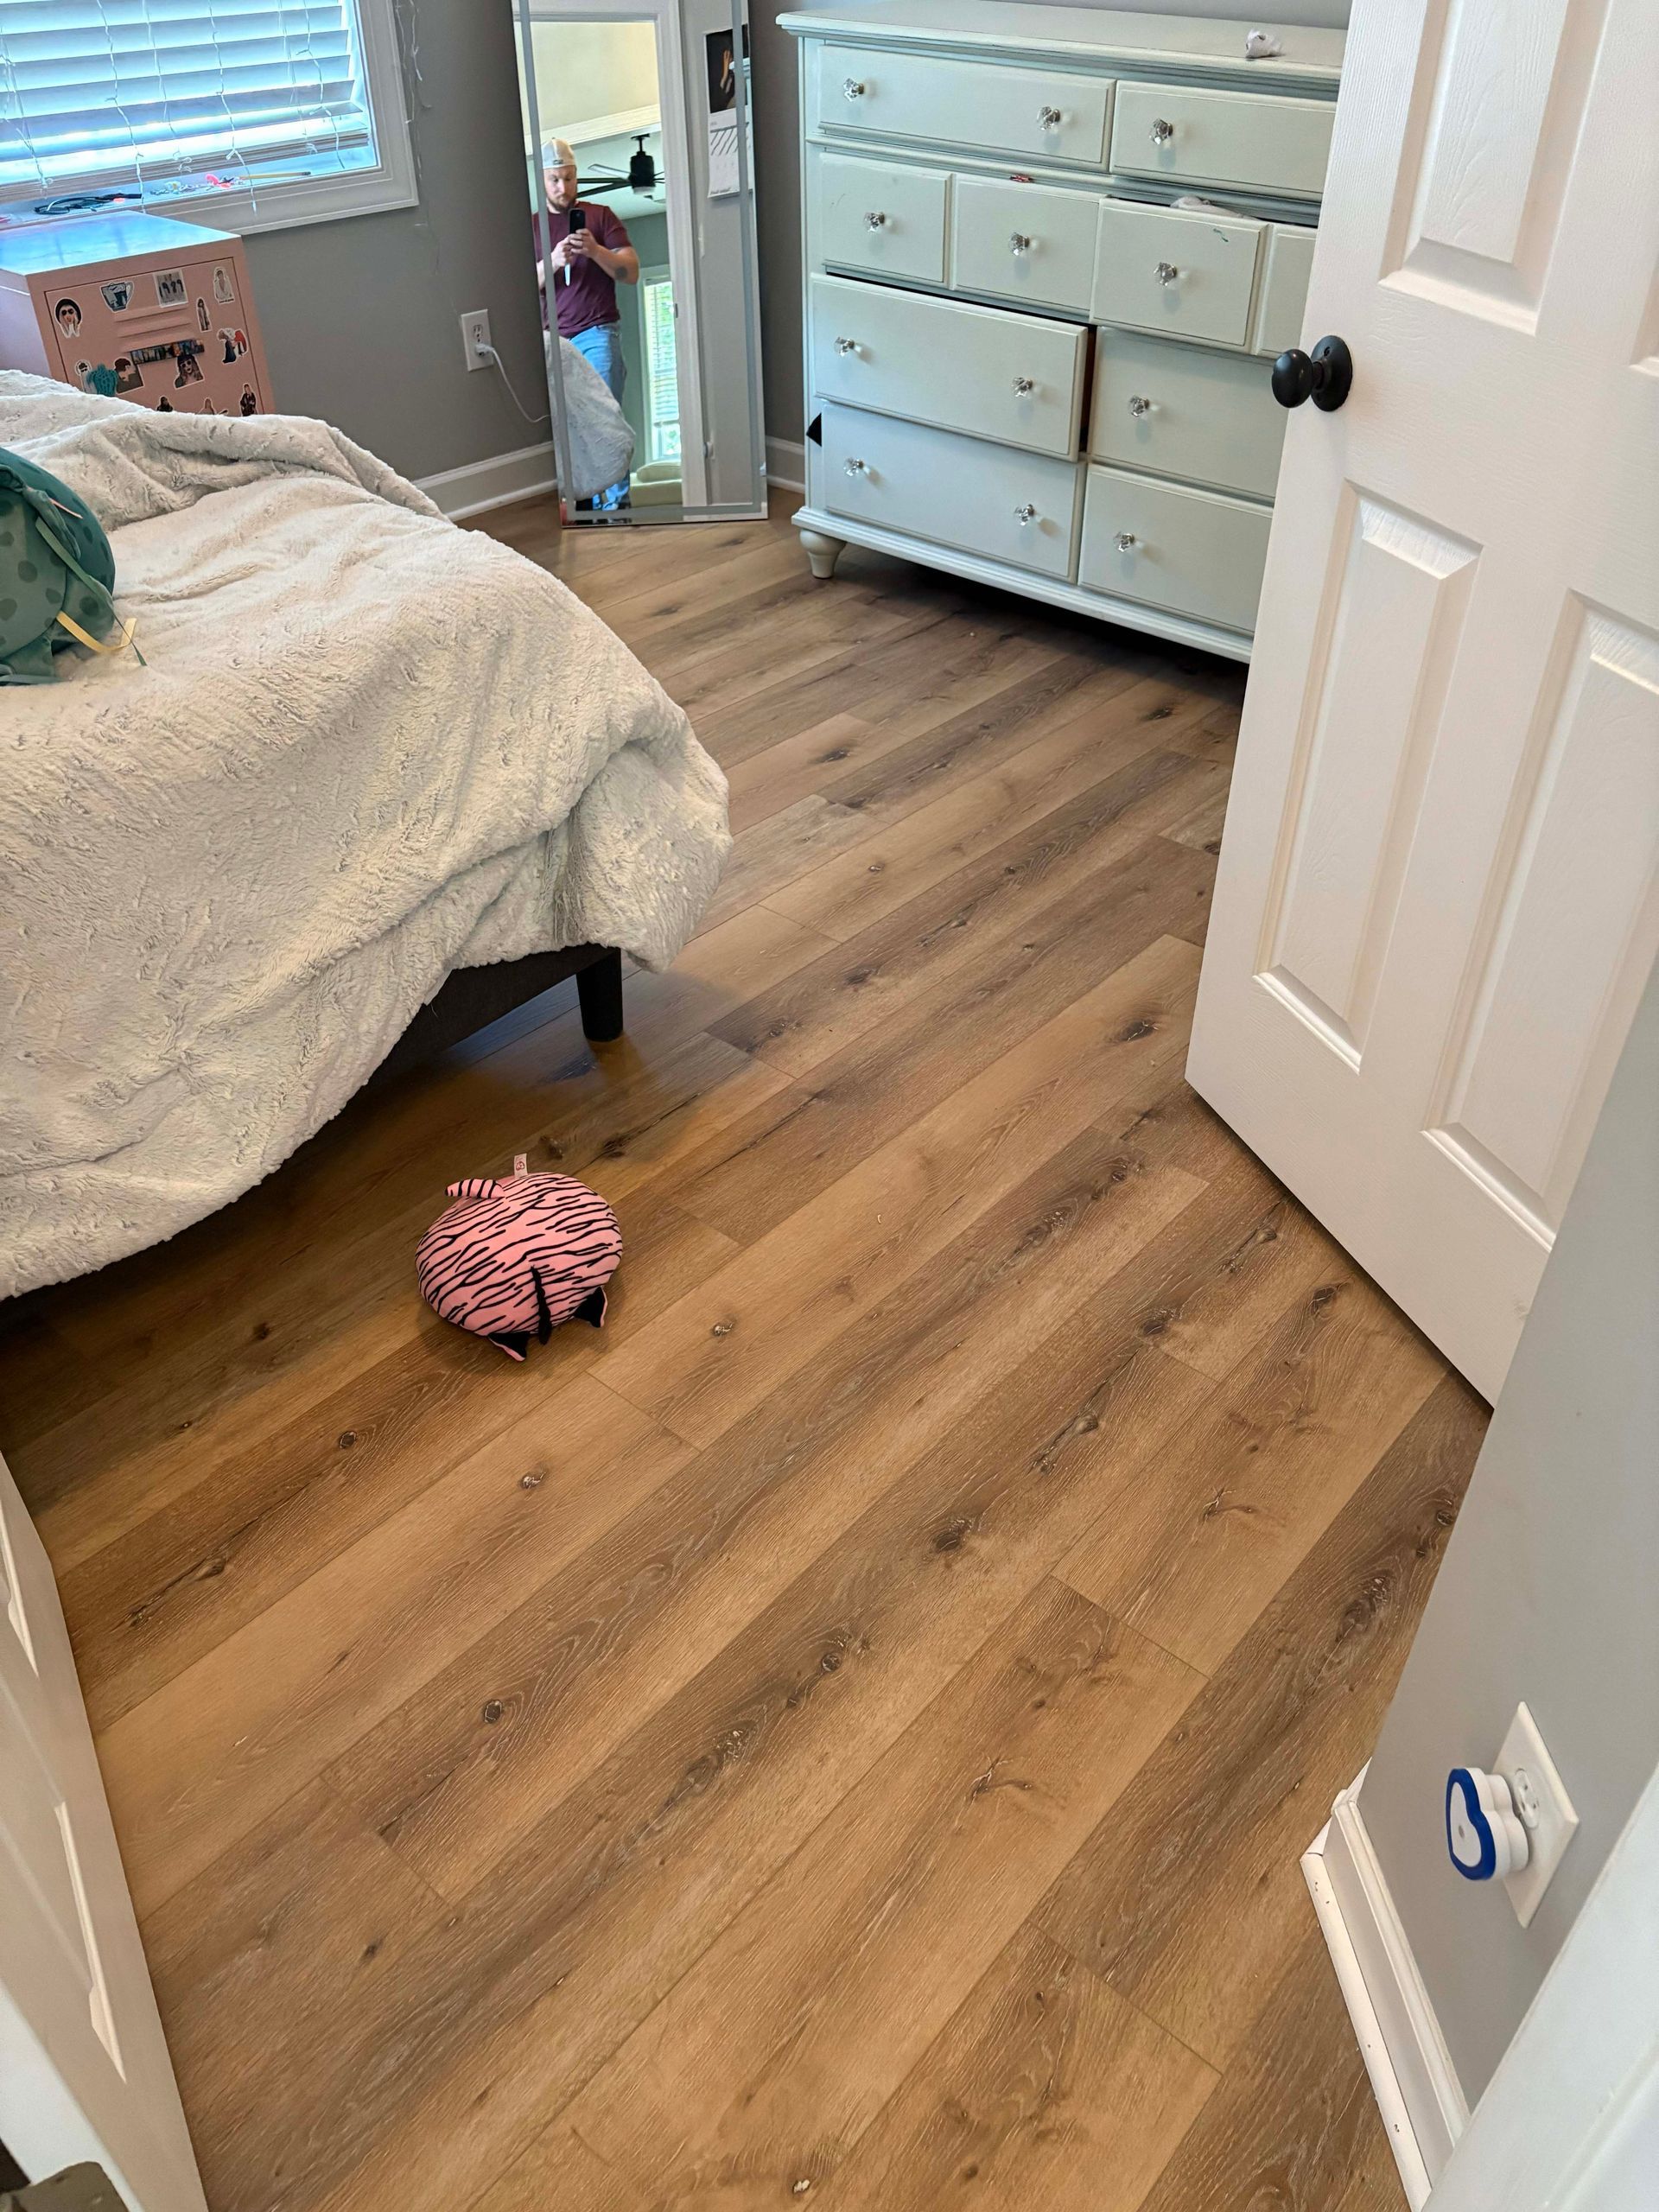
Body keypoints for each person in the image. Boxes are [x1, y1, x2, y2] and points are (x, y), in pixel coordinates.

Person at [533, 135, 639, 509]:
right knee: (569, 429)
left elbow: (630, 272)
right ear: (542, 181)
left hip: (597, 331)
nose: (564, 188)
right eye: (555, 180)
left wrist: (594, 250)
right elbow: (518, 289)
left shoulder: (601, 216)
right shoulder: (531, 227)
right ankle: (586, 511)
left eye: (570, 178)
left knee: (605, 419)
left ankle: (618, 508)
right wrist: (553, 261)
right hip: (553, 341)